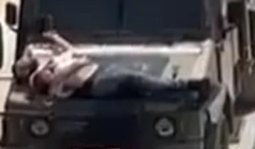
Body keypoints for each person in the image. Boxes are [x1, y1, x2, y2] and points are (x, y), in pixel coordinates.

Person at [13, 31, 209, 99]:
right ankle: (186, 86)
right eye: (21, 66)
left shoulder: (49, 64)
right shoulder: (42, 82)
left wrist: (57, 39)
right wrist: (80, 63)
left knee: (138, 78)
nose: (22, 62)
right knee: (133, 79)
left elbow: (71, 52)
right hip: (95, 83)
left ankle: (176, 88)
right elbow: (62, 75)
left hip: (99, 70)